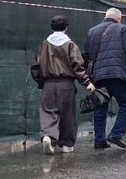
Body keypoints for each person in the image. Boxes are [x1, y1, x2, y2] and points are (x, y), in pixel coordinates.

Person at [31, 15, 96, 155]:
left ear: (51, 27)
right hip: (66, 84)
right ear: (66, 27)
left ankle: (49, 136)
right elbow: (77, 66)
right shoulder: (71, 45)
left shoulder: (44, 45)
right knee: (68, 115)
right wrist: (87, 82)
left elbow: (35, 67)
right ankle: (67, 145)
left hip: (48, 85)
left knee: (48, 112)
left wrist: (41, 83)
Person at [84, 8, 126, 150]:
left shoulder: (92, 31)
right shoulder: (122, 28)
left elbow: (86, 54)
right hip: (117, 73)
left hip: (98, 75)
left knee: (100, 106)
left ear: (106, 17)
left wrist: (89, 76)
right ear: (119, 18)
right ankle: (116, 134)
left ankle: (99, 140)